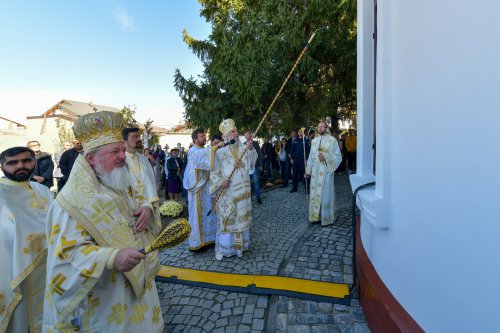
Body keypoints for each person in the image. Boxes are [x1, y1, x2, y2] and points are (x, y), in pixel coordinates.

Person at [42, 111, 164, 332]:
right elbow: (65, 256)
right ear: (91, 158)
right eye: (114, 151)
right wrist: (111, 257)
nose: (122, 156)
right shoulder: (69, 203)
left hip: (138, 286)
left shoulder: (115, 178)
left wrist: (146, 208)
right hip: (105, 296)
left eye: (122, 150)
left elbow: (138, 200)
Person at [0, 146, 53, 332]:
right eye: (12, 163)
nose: (20, 165)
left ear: (34, 162)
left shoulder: (43, 190)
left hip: (49, 267)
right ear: (2, 167)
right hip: (16, 268)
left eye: (26, 160)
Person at [210, 119, 257, 260]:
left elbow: (251, 163)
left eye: (236, 131)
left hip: (243, 192)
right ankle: (225, 249)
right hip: (228, 193)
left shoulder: (244, 148)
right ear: (226, 136)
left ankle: (240, 248)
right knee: (229, 220)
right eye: (232, 132)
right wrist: (220, 183)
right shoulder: (220, 153)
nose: (236, 134)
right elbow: (214, 172)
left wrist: (251, 150)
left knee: (240, 220)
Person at [183, 128, 218, 251]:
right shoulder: (193, 151)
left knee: (209, 213)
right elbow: (202, 157)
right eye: (201, 136)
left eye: (204, 136)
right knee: (198, 215)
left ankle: (209, 239)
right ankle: (198, 243)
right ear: (194, 139)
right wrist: (215, 148)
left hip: (206, 189)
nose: (204, 138)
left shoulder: (203, 150)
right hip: (198, 190)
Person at [123, 127, 161, 235]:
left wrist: (149, 205)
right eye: (134, 137)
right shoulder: (121, 160)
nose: (138, 139)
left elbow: (151, 184)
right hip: (130, 210)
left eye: (139, 136)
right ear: (125, 142)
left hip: (148, 207)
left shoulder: (144, 159)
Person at [305, 121, 342, 226]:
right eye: (319, 127)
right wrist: (308, 171)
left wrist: (325, 157)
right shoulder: (314, 141)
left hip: (326, 172)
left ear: (326, 128)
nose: (320, 128)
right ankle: (315, 216)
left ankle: (326, 218)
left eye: (322, 126)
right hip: (315, 173)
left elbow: (338, 157)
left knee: (325, 195)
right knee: (315, 194)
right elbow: (311, 157)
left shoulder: (332, 140)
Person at [243, 131, 263, 204]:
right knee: (248, 184)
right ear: (245, 136)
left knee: (256, 183)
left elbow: (259, 154)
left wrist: (261, 165)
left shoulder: (256, 143)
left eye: (250, 134)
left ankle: (258, 198)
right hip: (247, 168)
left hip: (255, 166)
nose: (249, 135)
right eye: (247, 134)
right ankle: (249, 199)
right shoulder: (243, 145)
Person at [290, 129, 311, 193]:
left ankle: (307, 188)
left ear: (303, 133)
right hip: (296, 159)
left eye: (301, 131)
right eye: (299, 131)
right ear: (298, 133)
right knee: (294, 174)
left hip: (303, 159)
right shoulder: (295, 140)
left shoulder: (306, 140)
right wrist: (292, 158)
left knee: (305, 174)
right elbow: (292, 150)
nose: (300, 132)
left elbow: (308, 151)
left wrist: (307, 159)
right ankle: (294, 187)